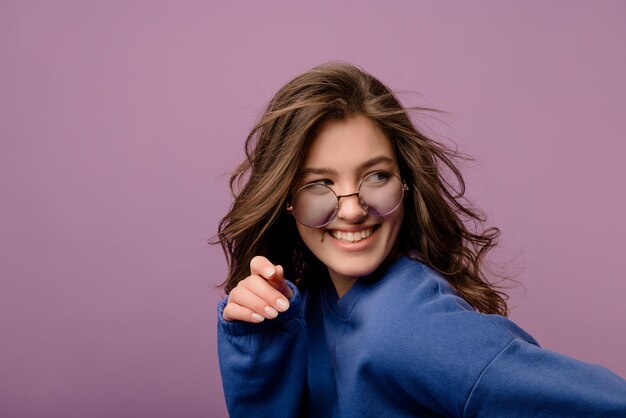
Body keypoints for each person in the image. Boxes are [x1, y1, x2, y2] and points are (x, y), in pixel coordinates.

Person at [215, 63, 626, 417]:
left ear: (406, 184)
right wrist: (262, 345)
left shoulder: (409, 325)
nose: (354, 209)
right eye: (320, 184)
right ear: (286, 199)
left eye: (376, 176)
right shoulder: (314, 300)